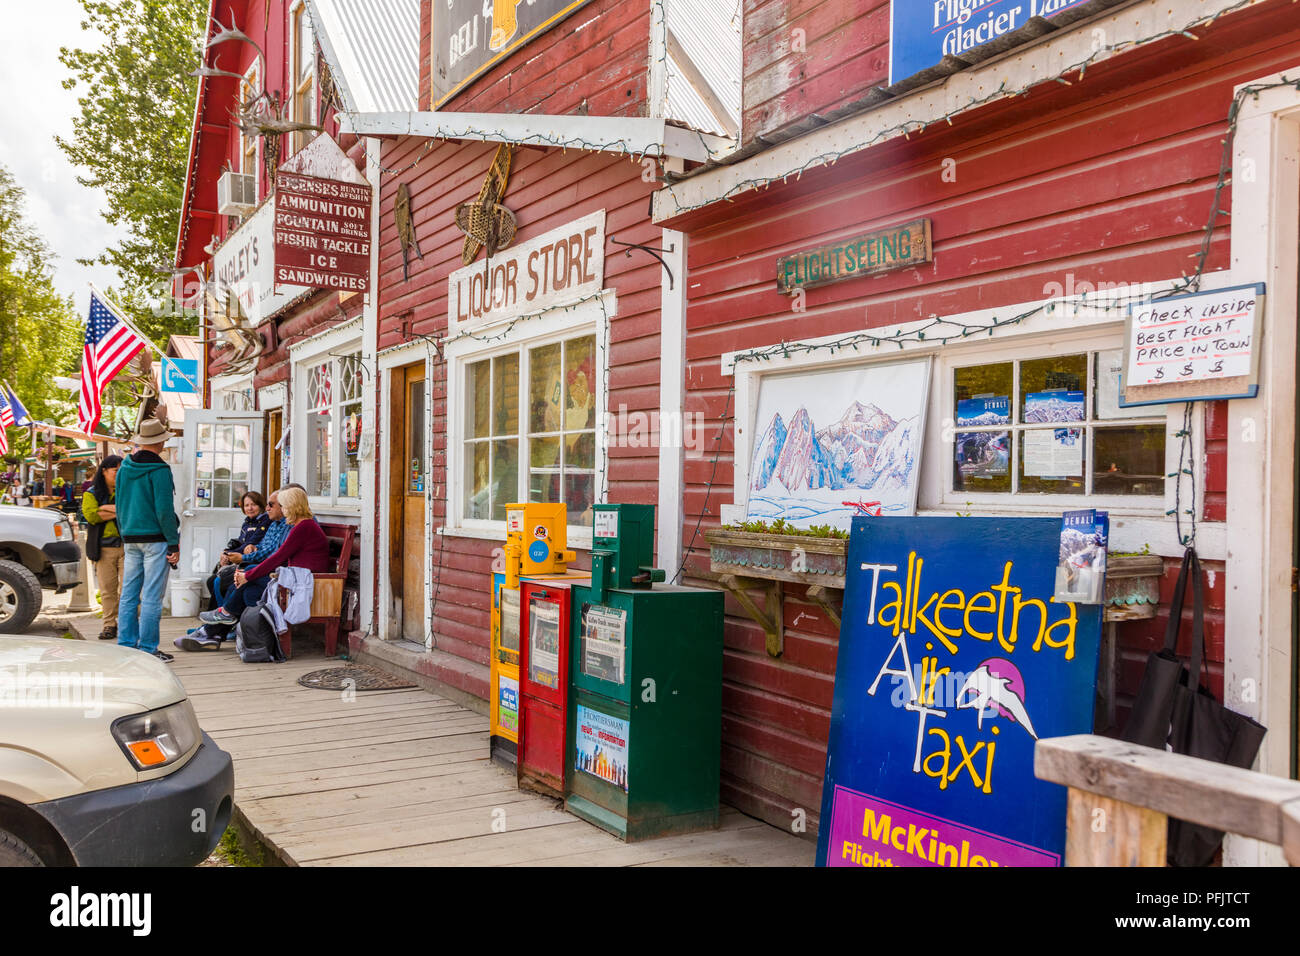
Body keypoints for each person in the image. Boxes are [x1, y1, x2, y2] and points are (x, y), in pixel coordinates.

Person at [198, 486, 329, 627]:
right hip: (295, 576)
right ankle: (236, 627)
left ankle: (223, 618)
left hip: (304, 580)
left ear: (291, 506)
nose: (283, 510)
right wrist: (247, 574)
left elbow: (278, 557)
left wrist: (247, 576)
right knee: (250, 591)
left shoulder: (304, 527)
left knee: (248, 577)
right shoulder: (301, 525)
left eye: (283, 506)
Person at [115, 419, 181, 662]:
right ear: (160, 441)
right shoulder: (160, 470)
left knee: (129, 595)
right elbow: (164, 510)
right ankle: (148, 650)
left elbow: (120, 506)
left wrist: (125, 534)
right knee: (152, 596)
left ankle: (126, 645)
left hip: (130, 537)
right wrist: (173, 543)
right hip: (155, 539)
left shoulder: (124, 468)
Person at [204, 491, 272, 609]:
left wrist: (229, 554)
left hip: (253, 561)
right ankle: (218, 614)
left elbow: (252, 542)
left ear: (261, 505)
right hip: (242, 559)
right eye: (246, 505)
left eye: (253, 504)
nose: (250, 508)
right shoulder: (247, 522)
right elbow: (241, 543)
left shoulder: (266, 520)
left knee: (218, 581)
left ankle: (220, 617)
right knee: (212, 580)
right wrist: (226, 552)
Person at [82, 455, 125, 641]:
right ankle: (109, 625)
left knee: (127, 590)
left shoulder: (127, 491)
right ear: (105, 471)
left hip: (127, 546)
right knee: (107, 590)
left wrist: (105, 508)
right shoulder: (91, 493)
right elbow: (92, 516)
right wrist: (117, 509)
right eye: (116, 470)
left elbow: (131, 511)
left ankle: (126, 624)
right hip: (104, 548)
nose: (119, 474)